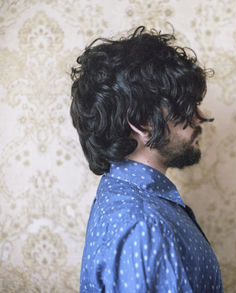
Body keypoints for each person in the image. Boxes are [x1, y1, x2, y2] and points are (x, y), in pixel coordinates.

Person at [70, 26, 223, 292]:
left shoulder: (127, 198)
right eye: (186, 106)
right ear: (142, 121)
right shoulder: (144, 224)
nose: (200, 116)